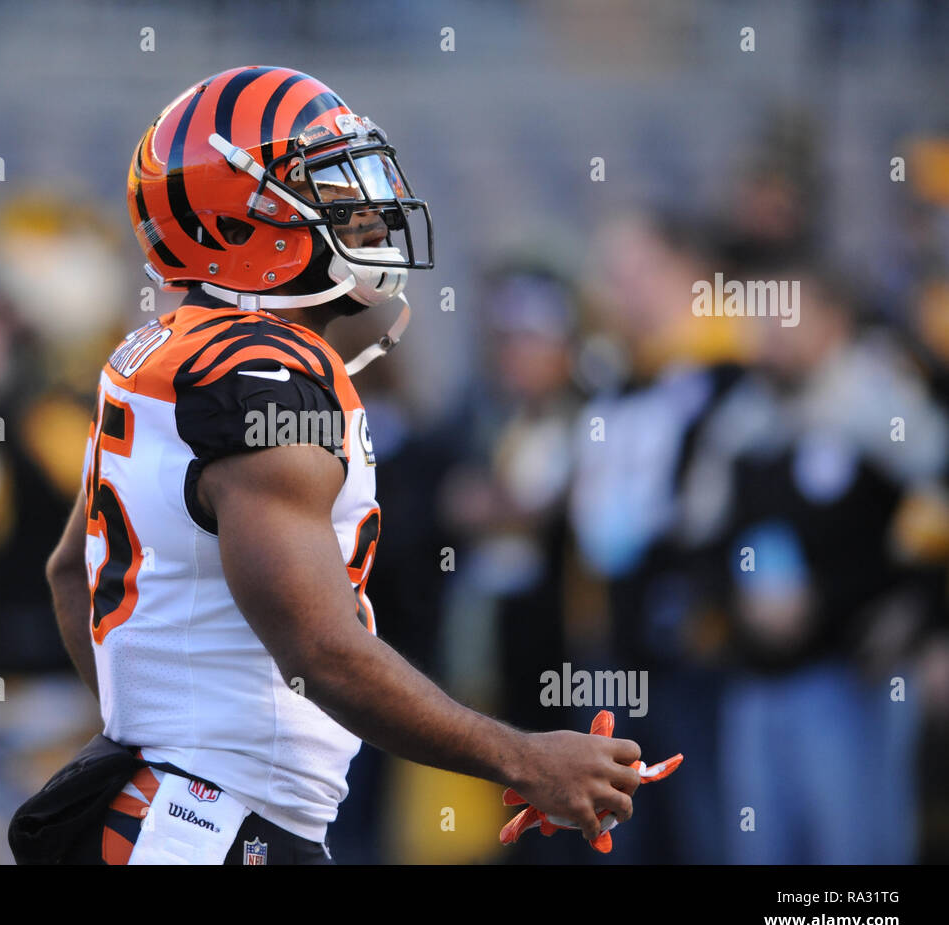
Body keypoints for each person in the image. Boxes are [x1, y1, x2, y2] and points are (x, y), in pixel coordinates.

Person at [39, 66, 641, 865]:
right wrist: (526, 760)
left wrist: (148, 736)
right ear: (238, 221)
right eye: (328, 183)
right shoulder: (264, 374)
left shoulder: (159, 350)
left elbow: (69, 573)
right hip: (214, 829)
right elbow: (321, 650)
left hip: (169, 812)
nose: (366, 206)